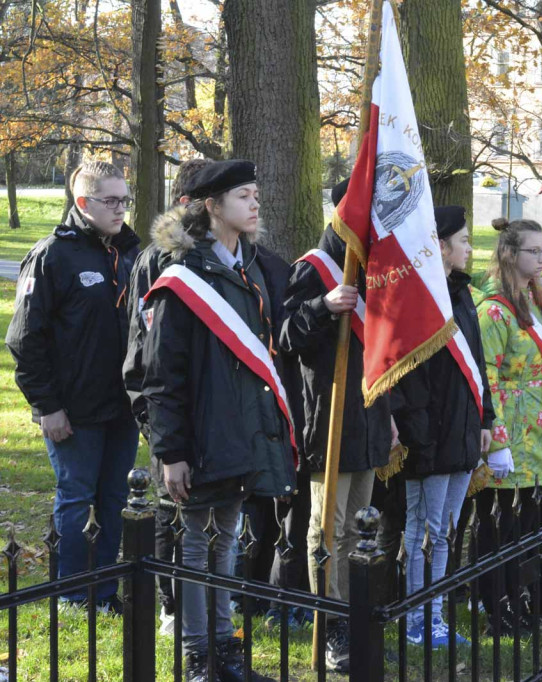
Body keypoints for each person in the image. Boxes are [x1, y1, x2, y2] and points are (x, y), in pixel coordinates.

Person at [140, 160, 293, 682]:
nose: (255, 204)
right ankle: (197, 656)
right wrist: (171, 451)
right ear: (212, 206)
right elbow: (162, 374)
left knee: (227, 539)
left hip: (238, 432)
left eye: (256, 194)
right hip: (200, 437)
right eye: (244, 196)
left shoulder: (245, 269)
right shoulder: (183, 277)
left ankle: (225, 650)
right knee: (196, 545)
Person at [7, 161, 140, 612]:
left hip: (121, 410)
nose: (121, 209)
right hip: (73, 412)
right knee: (77, 498)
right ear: (83, 204)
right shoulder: (53, 255)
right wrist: (48, 406)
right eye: (111, 201)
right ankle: (70, 592)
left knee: (115, 499)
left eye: (125, 199)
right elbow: (23, 338)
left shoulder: (130, 253)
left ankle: (103, 591)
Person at [278, 178, 394, 672]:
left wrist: (388, 419)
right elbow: (284, 336)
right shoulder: (314, 267)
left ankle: (357, 610)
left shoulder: (378, 269)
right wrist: (322, 308)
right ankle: (333, 626)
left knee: (360, 528)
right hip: (329, 414)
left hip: (369, 415)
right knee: (328, 528)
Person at [390, 205, 494, 647]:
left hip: (463, 428)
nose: (470, 249)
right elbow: (409, 376)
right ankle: (415, 616)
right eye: (464, 241)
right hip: (430, 433)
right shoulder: (418, 297)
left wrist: (486, 417)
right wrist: (420, 432)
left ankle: (435, 613)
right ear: (441, 246)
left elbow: (477, 363)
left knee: (448, 529)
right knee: (423, 530)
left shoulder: (462, 293)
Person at [124, 157, 211, 634]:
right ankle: (170, 604)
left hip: (205, 406)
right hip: (163, 400)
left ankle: (204, 604)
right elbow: (146, 347)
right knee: (169, 505)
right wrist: (151, 417)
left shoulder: (216, 251)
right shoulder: (160, 257)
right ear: (189, 202)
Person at [475, 218, 542, 632]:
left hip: (539, 431)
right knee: (501, 526)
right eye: (534, 251)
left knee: (528, 525)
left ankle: (522, 598)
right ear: (510, 254)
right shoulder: (493, 310)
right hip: (510, 434)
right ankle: (495, 604)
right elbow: (486, 377)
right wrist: (496, 443)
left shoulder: (534, 302)